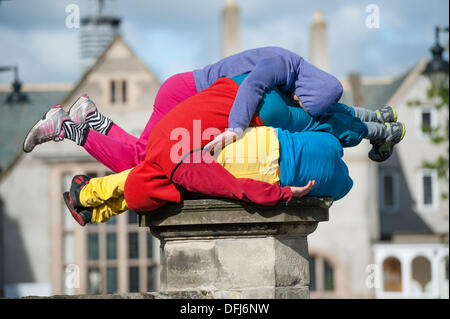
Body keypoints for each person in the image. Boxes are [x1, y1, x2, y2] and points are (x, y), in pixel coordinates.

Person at [62, 75, 405, 226]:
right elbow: (139, 175)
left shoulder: (181, 168)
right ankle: (374, 122)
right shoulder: (166, 138)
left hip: (275, 151)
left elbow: (233, 187)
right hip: (243, 93)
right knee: (323, 115)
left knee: (330, 147)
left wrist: (283, 194)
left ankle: (87, 186)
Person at [23, 46, 345, 173]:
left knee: (139, 151)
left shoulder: (288, 65)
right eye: (304, 101)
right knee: (141, 163)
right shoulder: (278, 65)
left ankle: (90, 118)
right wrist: (235, 129)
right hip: (186, 96)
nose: (300, 104)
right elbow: (251, 87)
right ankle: (64, 127)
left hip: (182, 89)